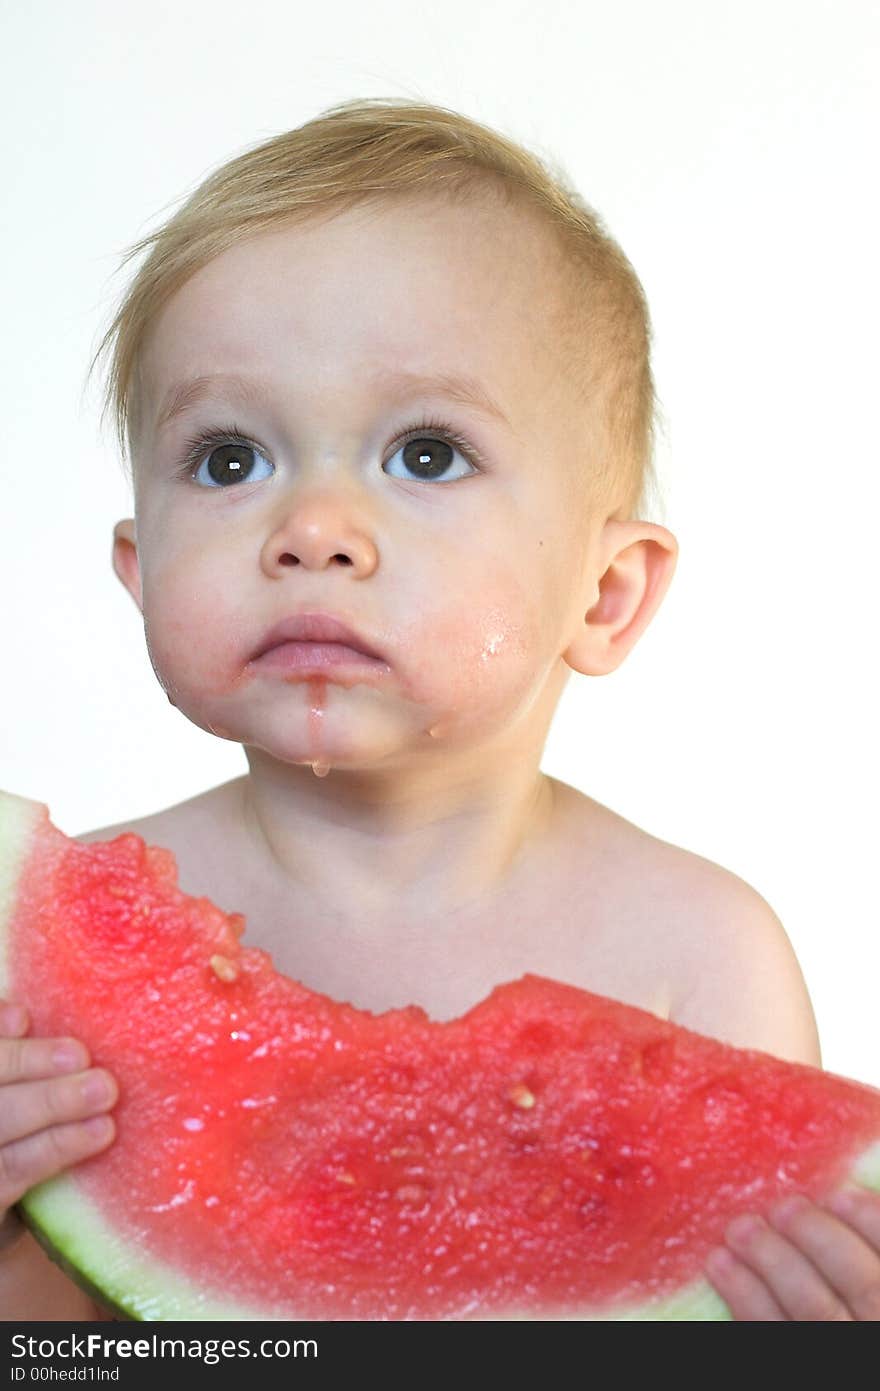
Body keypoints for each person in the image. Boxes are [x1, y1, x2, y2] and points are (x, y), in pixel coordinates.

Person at [2, 98, 878, 1323]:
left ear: (607, 593)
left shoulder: (703, 953)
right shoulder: (39, 984)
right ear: (140, 572)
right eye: (227, 458)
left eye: (424, 452)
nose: (310, 530)